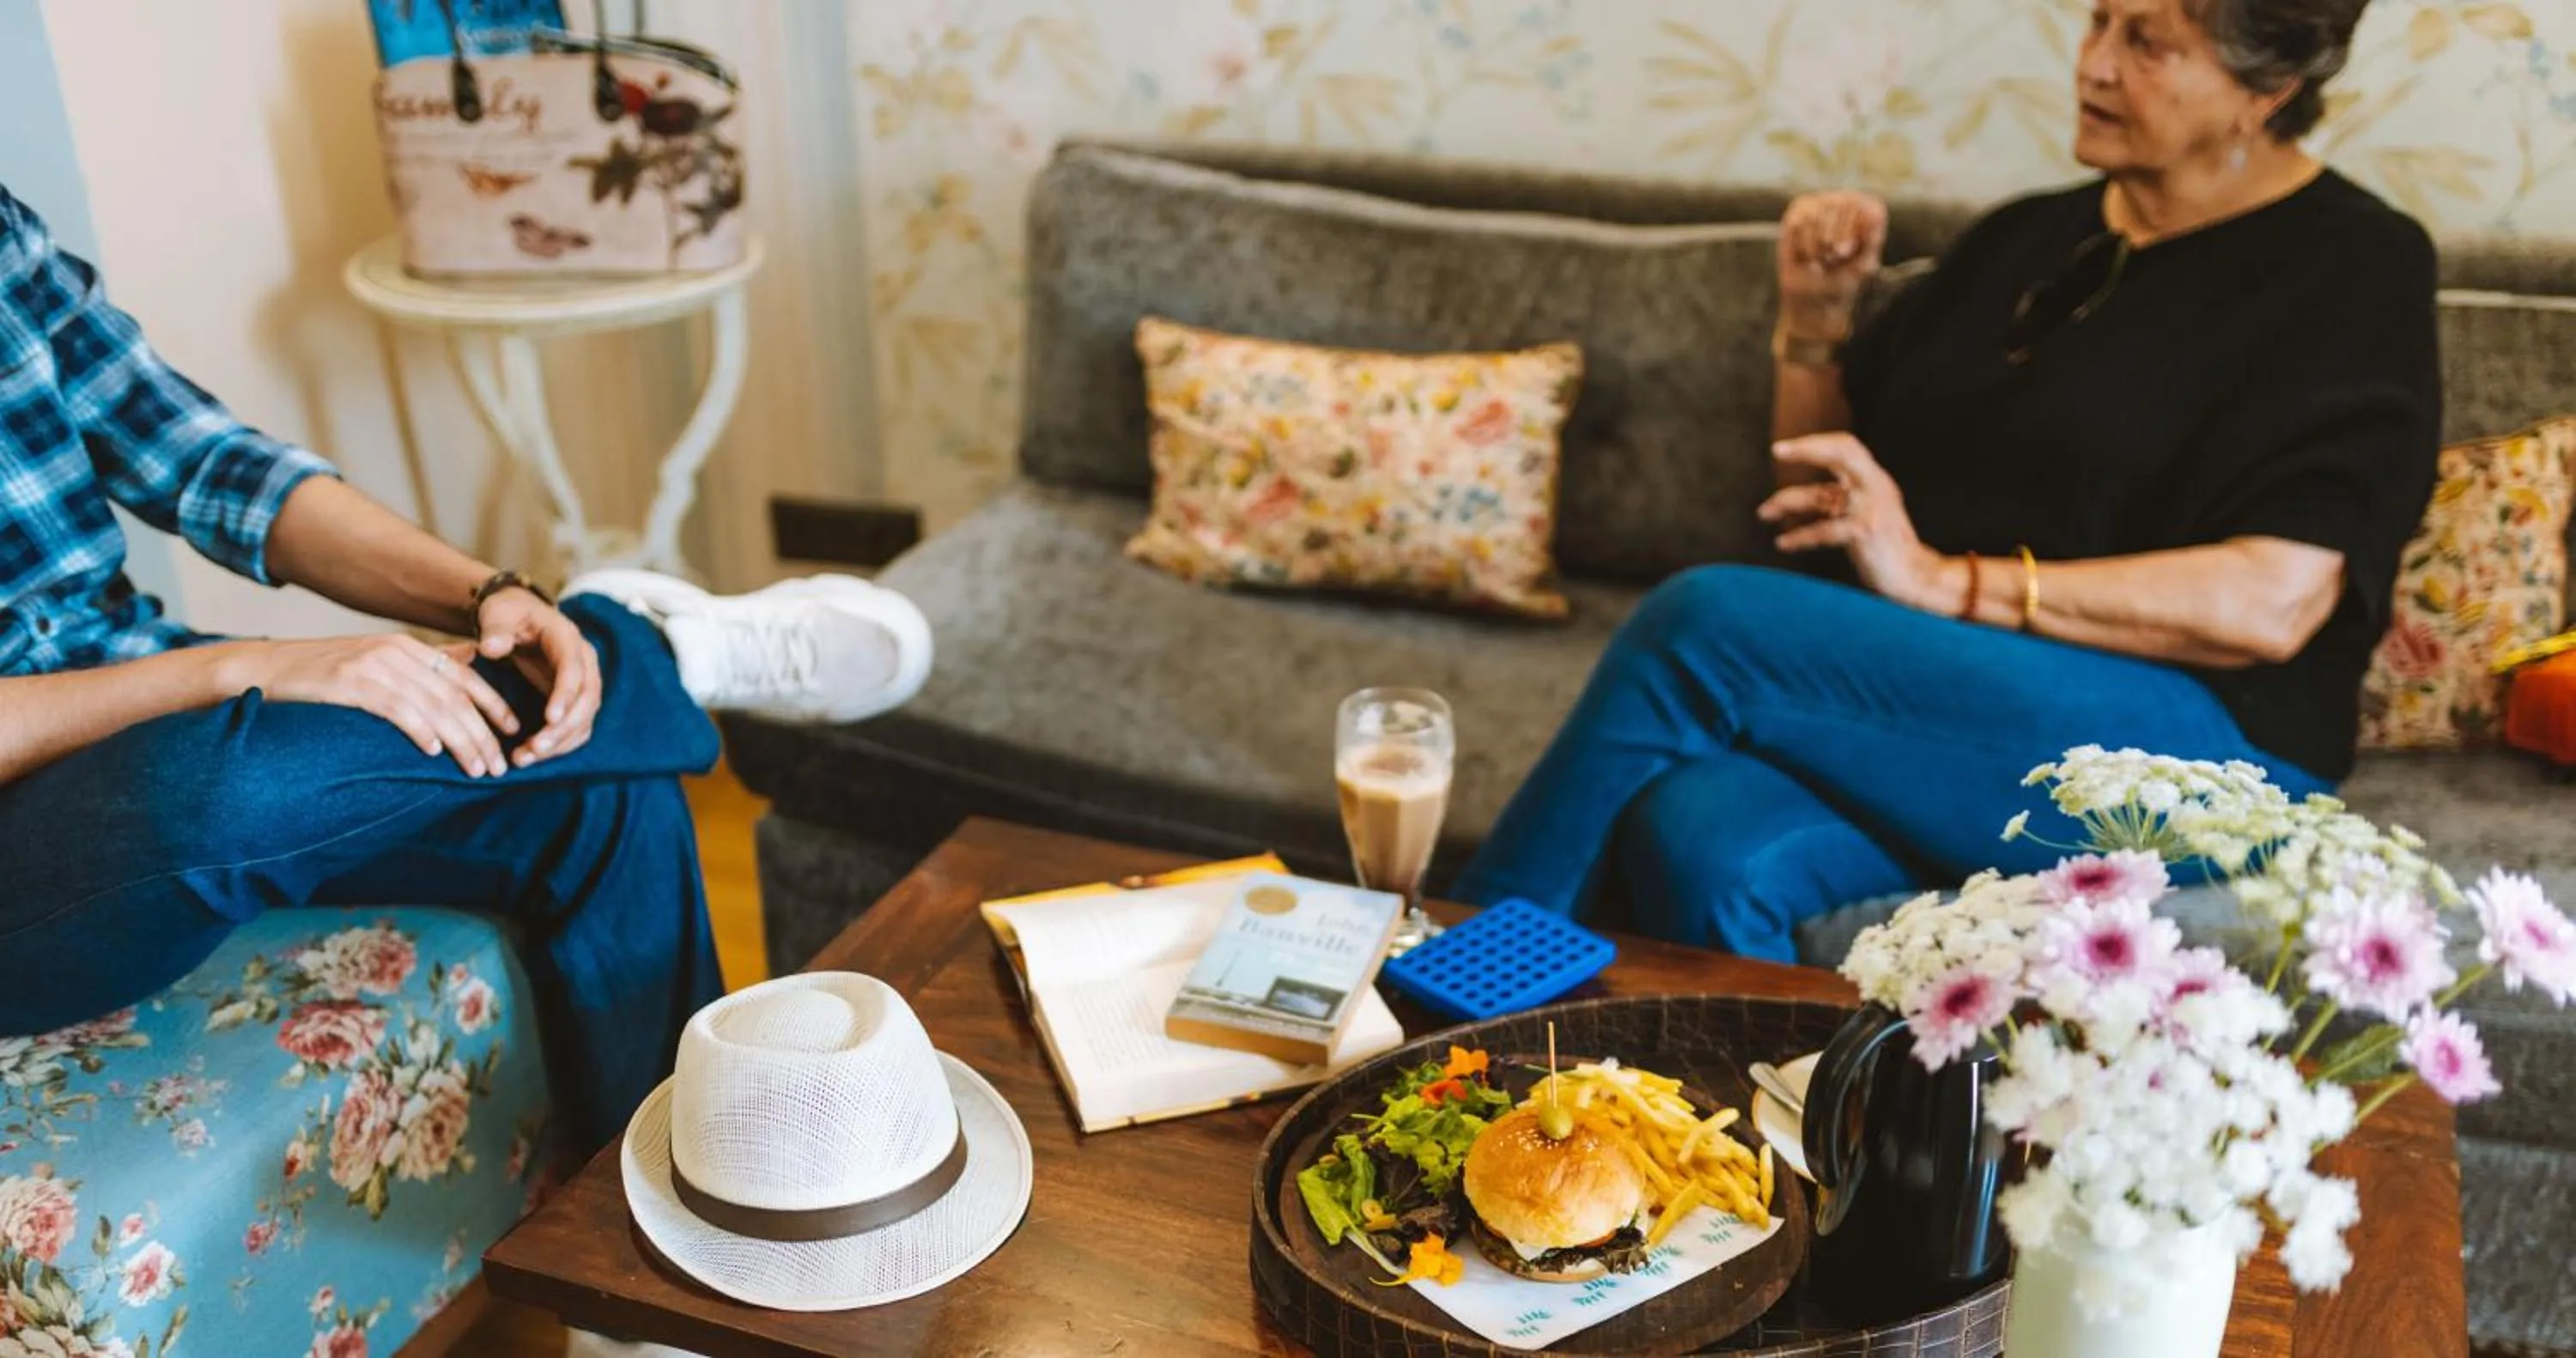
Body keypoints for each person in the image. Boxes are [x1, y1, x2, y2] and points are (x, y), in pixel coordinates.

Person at [1455, 0, 2439, 961]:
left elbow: (2274, 600)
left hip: (2211, 753)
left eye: (2149, 43)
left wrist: (1943, 580)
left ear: (2267, 87)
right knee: (1700, 836)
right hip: (1965, 719)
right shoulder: (2022, 240)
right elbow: (1824, 505)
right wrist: (1814, 328)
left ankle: (1437, 1005)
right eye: (2098, 22)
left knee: (1704, 621)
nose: (2094, 64)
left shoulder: (2355, 265)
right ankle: (1737, 1119)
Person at [0, 185, 931, 1150]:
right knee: (202, 793)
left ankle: (662, 1237)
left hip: (134, 685)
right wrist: (252, 666)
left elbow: (213, 464)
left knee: (600, 793)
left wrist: (488, 597)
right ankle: (662, 654)